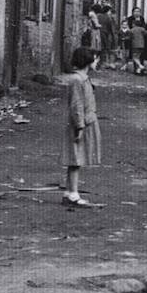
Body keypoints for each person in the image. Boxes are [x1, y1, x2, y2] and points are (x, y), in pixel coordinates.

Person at [59, 46, 102, 207]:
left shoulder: (83, 78)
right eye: (95, 58)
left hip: (86, 121)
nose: (97, 61)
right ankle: (73, 195)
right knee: (76, 159)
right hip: (81, 123)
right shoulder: (77, 80)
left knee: (76, 158)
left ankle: (69, 191)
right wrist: (80, 126)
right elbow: (76, 105)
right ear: (87, 60)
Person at [98, 5, 119, 70]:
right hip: (106, 35)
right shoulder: (108, 18)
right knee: (107, 49)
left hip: (98, 34)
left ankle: (102, 63)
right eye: (110, 11)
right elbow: (111, 29)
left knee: (101, 49)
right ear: (107, 11)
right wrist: (114, 37)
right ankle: (107, 63)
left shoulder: (98, 16)